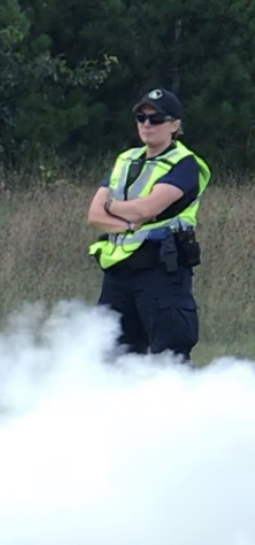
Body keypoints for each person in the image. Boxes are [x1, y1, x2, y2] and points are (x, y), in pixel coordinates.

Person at [86, 88, 210, 360]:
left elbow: (145, 209)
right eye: (141, 117)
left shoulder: (185, 164)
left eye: (156, 119)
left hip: (162, 271)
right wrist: (127, 224)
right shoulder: (125, 159)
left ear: (174, 125)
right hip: (118, 273)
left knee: (169, 358)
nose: (146, 124)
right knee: (110, 355)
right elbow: (94, 215)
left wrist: (112, 207)